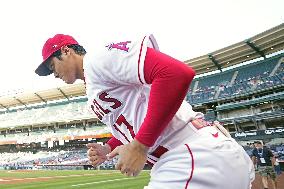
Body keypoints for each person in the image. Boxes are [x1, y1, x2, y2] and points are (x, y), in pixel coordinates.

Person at [35, 34, 255, 189]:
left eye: (52, 66)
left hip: (192, 155)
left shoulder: (98, 60)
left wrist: (140, 147)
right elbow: (135, 116)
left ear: (66, 50)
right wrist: (108, 147)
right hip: (196, 156)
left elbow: (176, 73)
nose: (53, 74)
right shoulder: (92, 83)